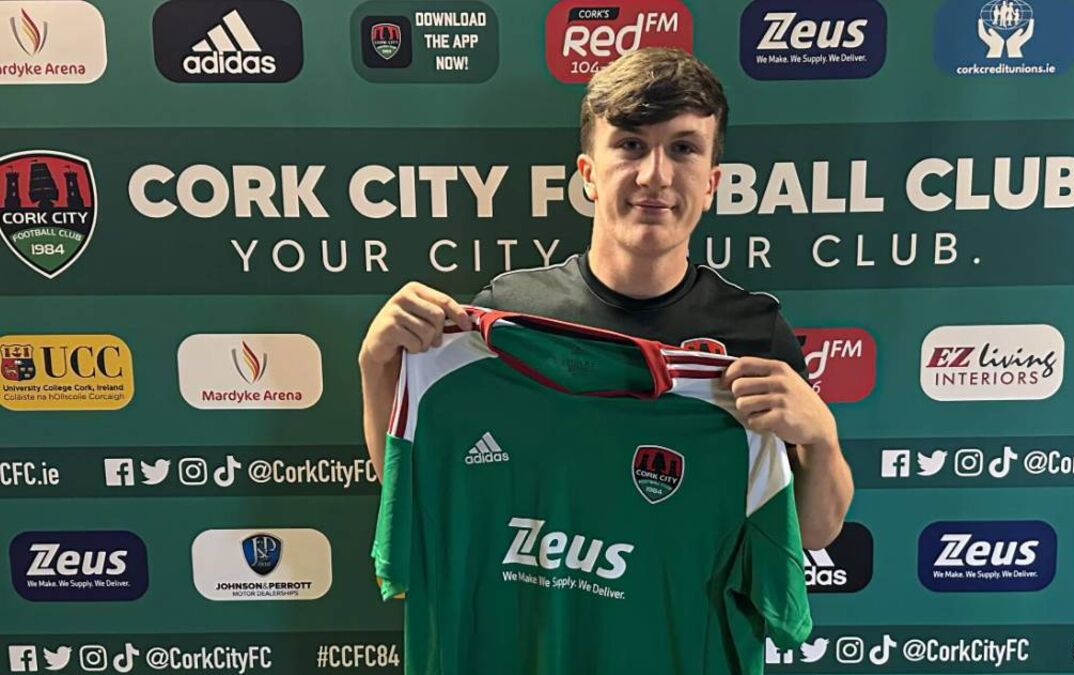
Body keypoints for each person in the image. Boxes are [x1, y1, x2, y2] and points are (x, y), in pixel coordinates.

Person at [358, 47, 853, 550]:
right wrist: (376, 368)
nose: (654, 175)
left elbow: (812, 534)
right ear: (589, 173)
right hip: (539, 599)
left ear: (711, 183)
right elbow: (420, 486)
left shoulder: (754, 332)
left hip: (689, 602)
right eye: (631, 145)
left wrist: (821, 439)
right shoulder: (508, 315)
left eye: (683, 148)